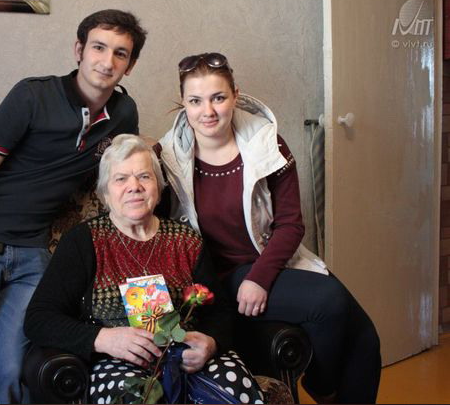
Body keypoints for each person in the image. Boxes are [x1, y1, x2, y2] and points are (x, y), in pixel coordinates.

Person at [0, 9, 147, 404]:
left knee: (13, 373)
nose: (107, 61)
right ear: (79, 50)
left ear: (130, 65)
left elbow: (125, 171)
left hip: (33, 253)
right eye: (98, 47)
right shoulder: (33, 95)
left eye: (120, 53)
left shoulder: (124, 114)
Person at [157, 53, 381, 404]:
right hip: (217, 277)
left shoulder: (267, 143)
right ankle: (323, 390)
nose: (208, 111)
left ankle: (327, 389)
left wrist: (260, 278)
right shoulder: (168, 157)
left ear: (235, 95)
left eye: (218, 97)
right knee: (329, 300)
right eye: (195, 101)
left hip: (268, 261)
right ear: (183, 103)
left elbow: (291, 224)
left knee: (365, 339)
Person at [24, 135, 264, 404]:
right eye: (121, 179)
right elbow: (39, 319)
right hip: (118, 364)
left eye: (144, 177)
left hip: (190, 360)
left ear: (158, 189)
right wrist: (102, 338)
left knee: (235, 388)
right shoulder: (84, 241)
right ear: (105, 194)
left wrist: (211, 342)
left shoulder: (186, 240)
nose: (134, 187)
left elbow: (220, 312)